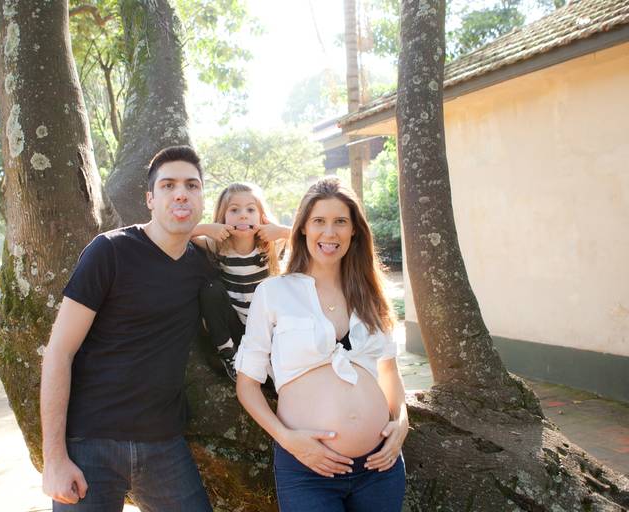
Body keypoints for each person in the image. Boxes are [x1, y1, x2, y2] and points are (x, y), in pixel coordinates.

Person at [40, 146, 214, 512]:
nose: (181, 193)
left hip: (163, 444)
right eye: (168, 185)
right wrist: (54, 459)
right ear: (150, 199)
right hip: (90, 442)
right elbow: (59, 351)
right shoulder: (109, 251)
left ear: (202, 197)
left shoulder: (201, 265)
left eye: (192, 185)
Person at [235, 177, 408, 512]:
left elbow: (389, 373)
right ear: (302, 228)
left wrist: (401, 423)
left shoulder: (372, 295)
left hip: (380, 468)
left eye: (340, 221)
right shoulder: (273, 293)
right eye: (319, 221)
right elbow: (247, 386)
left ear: (354, 230)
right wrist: (289, 440)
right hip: (307, 469)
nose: (330, 233)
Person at [191, 182, 290, 381]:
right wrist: (206, 228)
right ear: (223, 217)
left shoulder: (270, 245)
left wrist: (280, 231)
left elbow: (308, 236)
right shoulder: (218, 245)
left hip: (266, 328)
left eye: (250, 210)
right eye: (234, 210)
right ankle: (228, 352)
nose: (243, 215)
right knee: (211, 289)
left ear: (261, 216)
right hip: (235, 326)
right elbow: (180, 234)